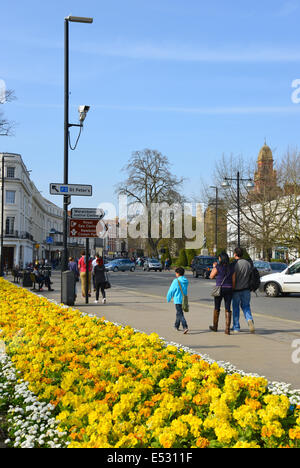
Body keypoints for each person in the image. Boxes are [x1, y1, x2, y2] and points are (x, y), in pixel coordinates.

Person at [209, 252, 235, 335]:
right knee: (228, 308)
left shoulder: (218, 266)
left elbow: (211, 276)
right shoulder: (231, 267)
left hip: (219, 289)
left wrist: (214, 267)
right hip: (229, 289)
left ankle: (215, 326)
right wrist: (232, 288)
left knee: (217, 307)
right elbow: (234, 280)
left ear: (221, 258)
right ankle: (227, 329)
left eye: (219, 257)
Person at [232, 247, 255, 334]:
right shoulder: (247, 263)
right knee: (246, 306)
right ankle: (249, 319)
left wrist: (233, 288)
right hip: (246, 289)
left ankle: (236, 327)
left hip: (236, 290)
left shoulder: (234, 264)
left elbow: (233, 278)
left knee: (235, 308)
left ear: (235, 254)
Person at [167, 267, 189, 334]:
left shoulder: (176, 281)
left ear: (178, 273)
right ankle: (176, 325)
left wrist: (168, 298)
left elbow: (171, 290)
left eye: (176, 273)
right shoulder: (186, 280)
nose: (175, 274)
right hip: (184, 299)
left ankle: (185, 326)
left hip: (178, 299)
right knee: (178, 313)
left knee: (180, 314)